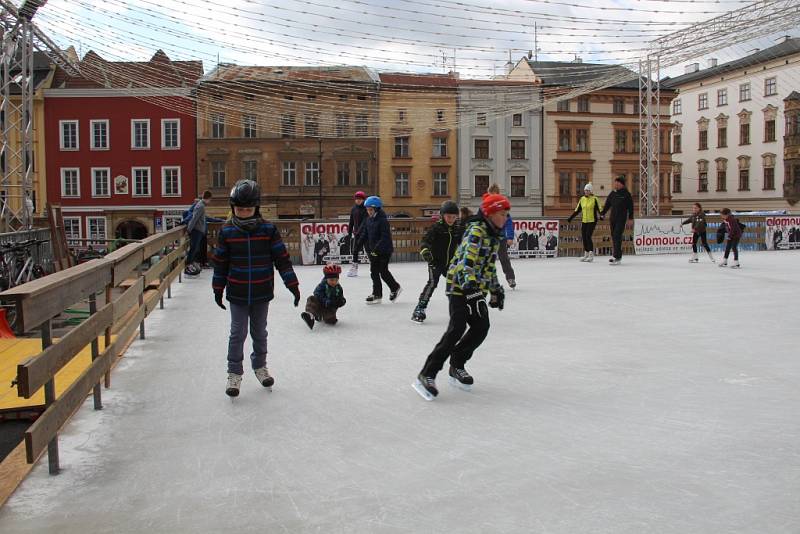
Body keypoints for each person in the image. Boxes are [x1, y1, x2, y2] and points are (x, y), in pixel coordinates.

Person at [413, 193, 509, 401]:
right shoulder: (476, 230)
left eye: (506, 214)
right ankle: (427, 373)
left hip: (475, 288)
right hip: (459, 286)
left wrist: (495, 290)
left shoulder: (494, 234)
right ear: (491, 214)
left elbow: (489, 266)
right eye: (501, 213)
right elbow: (467, 262)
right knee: (457, 328)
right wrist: (471, 288)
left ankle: (456, 364)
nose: (505, 218)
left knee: (481, 327)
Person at [211, 180, 301, 397]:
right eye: (239, 209)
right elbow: (220, 263)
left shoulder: (268, 230)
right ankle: (234, 373)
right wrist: (217, 288)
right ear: (233, 208)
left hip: (261, 291)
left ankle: (259, 366)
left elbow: (282, 259)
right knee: (237, 333)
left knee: (259, 332)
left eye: (248, 209)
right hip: (238, 291)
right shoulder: (227, 231)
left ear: (256, 208)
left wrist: (292, 285)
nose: (243, 213)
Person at [411, 200, 465, 324]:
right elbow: (426, 241)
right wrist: (425, 250)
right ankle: (420, 308)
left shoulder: (457, 229)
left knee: (456, 283)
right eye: (448, 216)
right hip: (435, 262)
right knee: (432, 283)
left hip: (450, 264)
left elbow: (463, 242)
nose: (451, 219)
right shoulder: (436, 228)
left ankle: (459, 309)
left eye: (453, 217)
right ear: (442, 215)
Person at [360, 196, 401, 304]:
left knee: (383, 271)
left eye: (370, 210)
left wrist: (376, 249)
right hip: (374, 251)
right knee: (374, 272)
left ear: (376, 209)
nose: (368, 212)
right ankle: (377, 294)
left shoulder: (383, 221)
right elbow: (365, 234)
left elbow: (385, 238)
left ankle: (395, 287)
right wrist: (358, 246)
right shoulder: (368, 220)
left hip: (384, 251)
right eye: (367, 209)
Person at [486, 184, 516, 288]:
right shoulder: (486, 207)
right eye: (491, 196)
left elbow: (508, 222)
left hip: (500, 237)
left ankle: (510, 278)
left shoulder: (502, 207)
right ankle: (486, 280)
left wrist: (510, 237)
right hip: (489, 238)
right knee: (486, 259)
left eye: (495, 195)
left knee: (504, 258)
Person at [599, 177, 634, 265]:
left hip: (621, 219)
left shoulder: (626, 194)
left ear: (622, 184)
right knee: (614, 236)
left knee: (617, 235)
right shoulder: (613, 193)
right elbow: (607, 204)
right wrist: (602, 213)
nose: (616, 184)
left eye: (618, 183)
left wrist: (630, 218)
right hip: (613, 218)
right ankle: (618, 255)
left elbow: (631, 207)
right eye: (615, 183)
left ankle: (616, 256)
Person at [301, 263, 346, 329]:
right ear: (326, 279)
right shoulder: (322, 285)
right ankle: (310, 315)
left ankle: (322, 317)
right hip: (319, 305)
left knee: (331, 321)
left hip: (329, 308)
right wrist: (325, 300)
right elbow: (317, 293)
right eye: (331, 280)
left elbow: (340, 297)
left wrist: (342, 301)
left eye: (336, 280)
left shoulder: (338, 288)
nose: (334, 282)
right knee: (311, 298)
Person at [567, 183, 603, 262]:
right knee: (584, 236)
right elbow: (577, 210)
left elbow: (600, 209)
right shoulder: (582, 199)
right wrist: (571, 218)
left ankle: (591, 254)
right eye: (585, 190)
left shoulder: (594, 199)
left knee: (588, 236)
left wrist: (602, 215)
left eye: (587, 190)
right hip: (584, 220)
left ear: (590, 191)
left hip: (592, 220)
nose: (586, 192)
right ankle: (586, 253)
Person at [185, 190, 213, 275]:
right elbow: (194, 218)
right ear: (207, 198)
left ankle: (191, 265)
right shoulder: (200, 206)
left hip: (199, 231)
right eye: (210, 200)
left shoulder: (201, 205)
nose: (210, 202)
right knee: (193, 249)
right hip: (196, 231)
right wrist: (189, 230)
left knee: (195, 249)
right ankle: (188, 266)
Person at [347, 191, 368, 277]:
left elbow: (364, 222)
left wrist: (358, 231)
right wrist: (349, 232)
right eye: (357, 199)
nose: (358, 201)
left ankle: (376, 266)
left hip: (366, 233)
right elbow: (351, 221)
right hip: (357, 233)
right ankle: (354, 268)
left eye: (360, 199)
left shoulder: (366, 209)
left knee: (369, 250)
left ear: (363, 200)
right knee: (355, 250)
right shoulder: (354, 209)